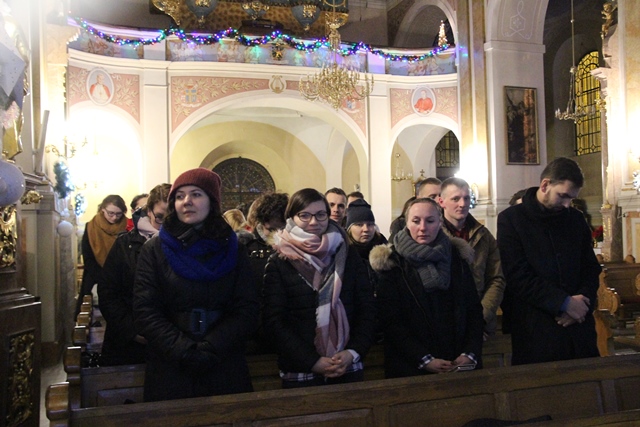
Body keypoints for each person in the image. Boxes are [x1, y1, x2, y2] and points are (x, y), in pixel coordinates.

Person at [133, 168, 259, 401]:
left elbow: (247, 308)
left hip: (223, 360)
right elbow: (145, 310)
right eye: (179, 196)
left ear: (212, 201)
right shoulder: (154, 250)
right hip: (171, 364)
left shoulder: (234, 248)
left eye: (196, 194)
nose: (186, 201)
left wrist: (212, 347)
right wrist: (184, 351)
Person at [262, 188, 376, 388]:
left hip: (346, 365)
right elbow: (274, 321)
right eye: (304, 215)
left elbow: (367, 308)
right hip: (301, 370)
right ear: (291, 217)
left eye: (320, 214)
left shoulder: (347, 254)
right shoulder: (280, 261)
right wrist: (312, 362)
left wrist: (353, 352)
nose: (314, 222)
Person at [497, 157, 601, 365]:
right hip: (537, 328)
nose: (567, 204)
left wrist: (580, 307)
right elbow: (517, 276)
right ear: (545, 185)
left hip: (579, 327)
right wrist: (563, 303)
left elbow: (590, 268)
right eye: (563, 196)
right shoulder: (511, 219)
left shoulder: (575, 219)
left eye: (571, 198)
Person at [370, 197, 483, 378]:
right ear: (407, 223)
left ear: (440, 223)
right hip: (411, 367)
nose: (423, 227)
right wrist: (424, 359)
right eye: (416, 221)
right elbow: (391, 321)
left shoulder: (456, 257)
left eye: (430, 221)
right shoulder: (392, 263)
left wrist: (469, 353)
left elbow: (473, 309)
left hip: (459, 364)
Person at [99, 184, 170, 366]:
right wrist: (132, 331)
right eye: (160, 217)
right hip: (128, 346)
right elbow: (108, 293)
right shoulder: (125, 244)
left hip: (170, 344)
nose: (166, 225)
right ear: (149, 211)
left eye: (172, 218)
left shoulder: (186, 245)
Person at [438, 178, 505, 338]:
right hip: (444, 324)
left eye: (466, 198)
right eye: (455, 199)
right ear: (441, 202)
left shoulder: (484, 235)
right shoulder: (434, 235)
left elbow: (496, 278)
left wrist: (481, 315)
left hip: (480, 322)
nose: (463, 204)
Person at [76, 195, 128, 317]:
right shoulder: (91, 226)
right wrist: (104, 278)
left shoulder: (128, 227)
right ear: (102, 210)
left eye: (119, 214)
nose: (114, 217)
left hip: (121, 279)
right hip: (96, 277)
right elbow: (88, 257)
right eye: (111, 213)